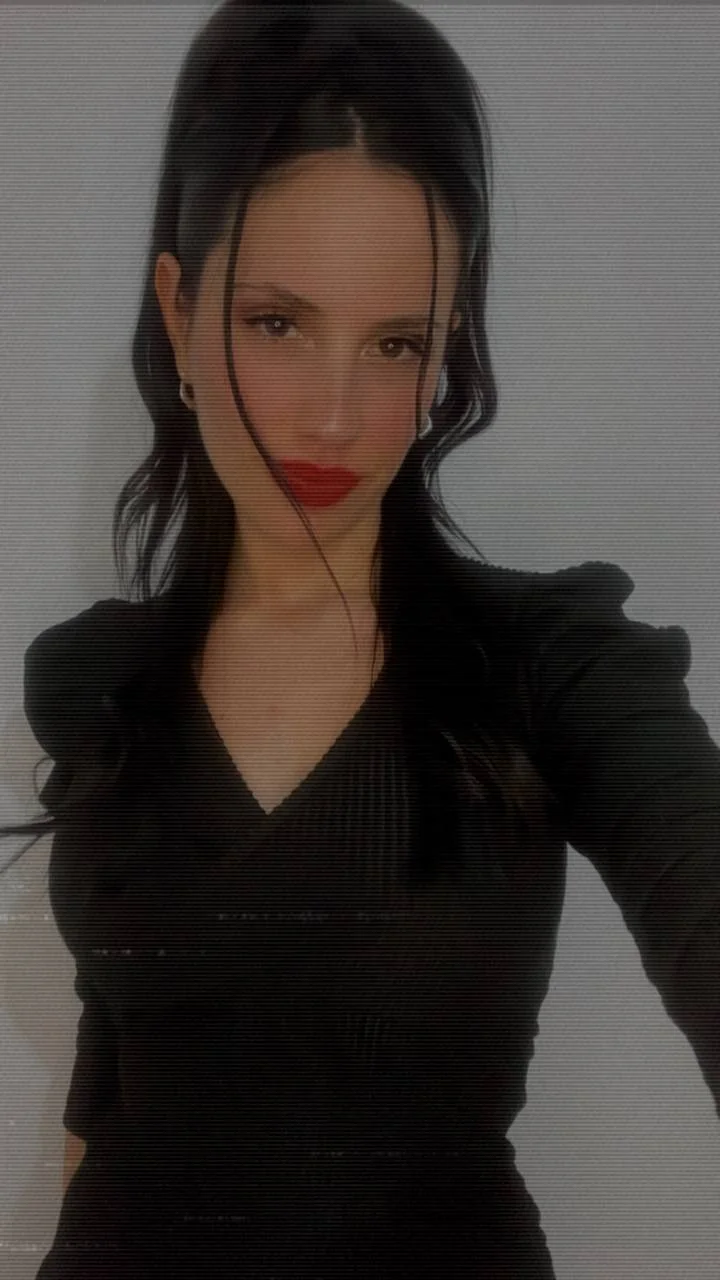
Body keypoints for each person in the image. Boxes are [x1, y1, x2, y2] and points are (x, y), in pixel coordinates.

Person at [2, 2, 717, 1277]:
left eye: (397, 342)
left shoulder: (553, 663)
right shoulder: (92, 676)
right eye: (277, 321)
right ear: (178, 308)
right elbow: (114, 1076)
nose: (335, 415)